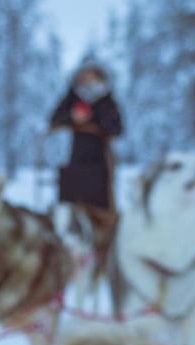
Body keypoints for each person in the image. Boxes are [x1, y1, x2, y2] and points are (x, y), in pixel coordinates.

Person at [50, 61, 125, 283]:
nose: (88, 83)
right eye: (84, 79)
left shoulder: (107, 101)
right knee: (69, 211)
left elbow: (117, 128)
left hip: (100, 165)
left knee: (101, 214)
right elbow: (55, 119)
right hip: (73, 164)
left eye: (92, 79)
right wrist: (72, 118)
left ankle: (102, 259)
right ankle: (68, 259)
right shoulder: (71, 98)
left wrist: (92, 118)